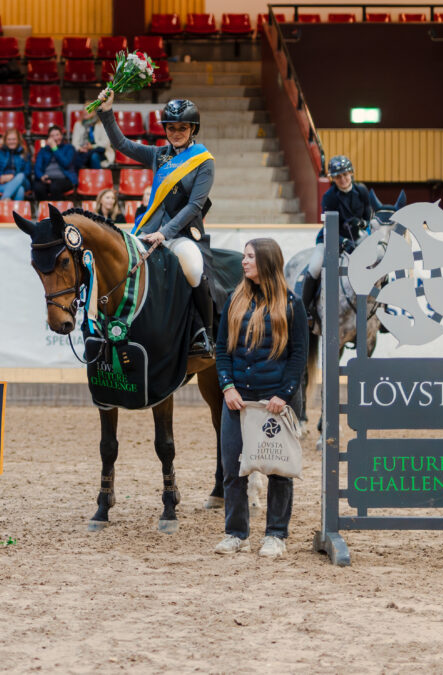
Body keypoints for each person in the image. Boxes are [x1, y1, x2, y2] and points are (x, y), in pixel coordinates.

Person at [97, 92, 217, 352]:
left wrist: (166, 233)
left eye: (182, 128)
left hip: (182, 233)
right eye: (171, 128)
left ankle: (204, 334)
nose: (176, 133)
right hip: (149, 230)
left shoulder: (203, 162)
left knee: (194, 268)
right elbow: (122, 145)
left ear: (192, 128)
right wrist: (106, 112)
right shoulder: (158, 155)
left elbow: (194, 205)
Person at [213, 238, 307, 558]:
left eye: (250, 257)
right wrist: (227, 386)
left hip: (275, 403)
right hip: (239, 401)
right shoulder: (233, 300)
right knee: (232, 468)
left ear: (266, 261)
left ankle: (276, 534)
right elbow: (222, 350)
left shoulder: (292, 304)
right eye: (244, 256)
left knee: (279, 470)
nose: (244, 262)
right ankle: (236, 533)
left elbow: (298, 357)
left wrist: (284, 395)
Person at [299, 154, 374, 322]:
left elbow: (368, 217)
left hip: (356, 238)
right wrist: (343, 242)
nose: (343, 179)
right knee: (315, 267)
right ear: (333, 178)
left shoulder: (361, 190)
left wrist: (363, 225)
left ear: (351, 173)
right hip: (330, 238)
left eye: (346, 174)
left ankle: (383, 308)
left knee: (378, 259)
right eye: (338, 177)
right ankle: (305, 309)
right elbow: (329, 229)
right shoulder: (329, 197)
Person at [33, 125, 77, 200]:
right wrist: (41, 176)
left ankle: (55, 210)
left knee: (55, 187)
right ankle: (45, 209)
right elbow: (37, 167)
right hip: (47, 178)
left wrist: (54, 148)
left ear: (62, 136)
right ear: (49, 138)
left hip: (64, 178)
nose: (56, 138)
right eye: (52, 136)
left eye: (57, 135)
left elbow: (66, 163)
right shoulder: (43, 150)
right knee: (38, 188)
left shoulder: (69, 148)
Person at [0, 128, 31, 200]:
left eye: (14, 139)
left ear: (18, 140)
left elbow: (27, 171)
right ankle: (14, 210)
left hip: (22, 181)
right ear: (5, 141)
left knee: (21, 175)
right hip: (2, 184)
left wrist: (12, 177)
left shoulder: (25, 153)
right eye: (9, 139)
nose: (11, 142)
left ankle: (3, 200)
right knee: (20, 190)